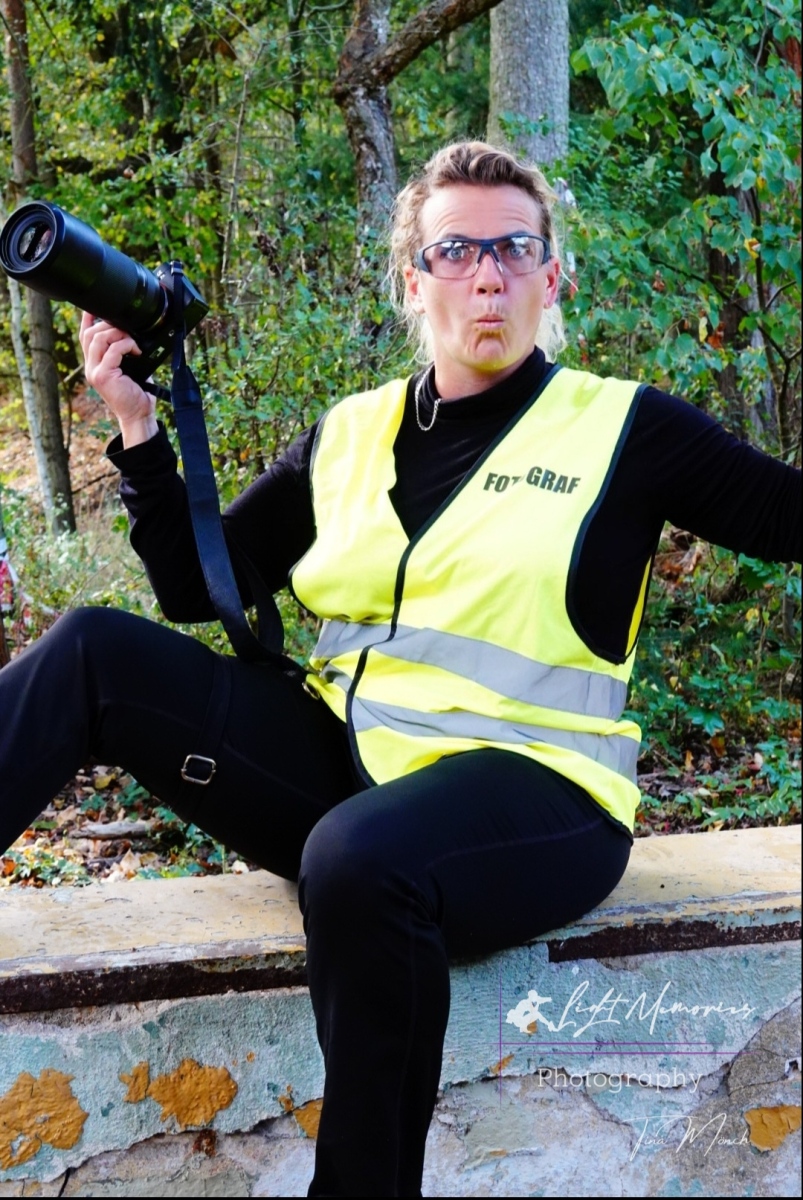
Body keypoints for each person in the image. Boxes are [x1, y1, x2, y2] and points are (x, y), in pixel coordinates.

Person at [0, 141, 799, 1196]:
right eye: (456, 250)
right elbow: (204, 586)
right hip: (350, 763)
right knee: (92, 650)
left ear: (552, 278)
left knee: (359, 857)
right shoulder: (349, 432)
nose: (487, 275)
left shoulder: (624, 428)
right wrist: (139, 430)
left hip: (538, 790)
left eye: (514, 249)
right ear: (413, 281)